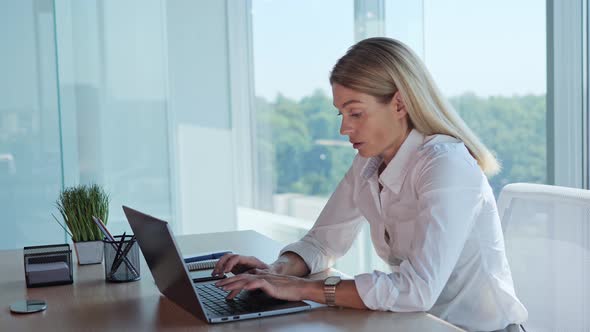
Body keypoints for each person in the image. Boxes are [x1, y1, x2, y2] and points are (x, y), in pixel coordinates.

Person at [212, 37, 528, 332]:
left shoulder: (446, 166)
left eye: (356, 113)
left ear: (400, 104)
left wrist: (303, 288)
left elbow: (417, 290)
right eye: (341, 113)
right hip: (415, 323)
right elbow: (323, 244)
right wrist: (277, 271)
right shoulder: (370, 161)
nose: (343, 128)